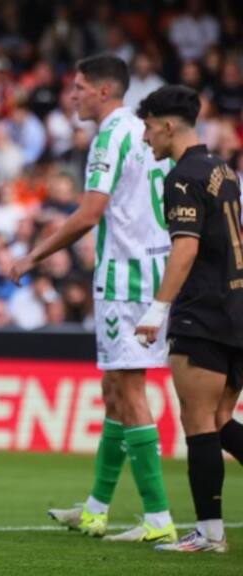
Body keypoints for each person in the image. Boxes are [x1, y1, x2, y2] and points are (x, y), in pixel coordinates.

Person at [10, 54, 177, 543]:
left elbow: (89, 214)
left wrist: (32, 256)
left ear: (105, 92)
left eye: (80, 87)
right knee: (113, 393)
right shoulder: (145, 134)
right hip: (149, 267)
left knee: (129, 392)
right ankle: (97, 509)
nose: (73, 95)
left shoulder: (110, 135)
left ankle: (159, 518)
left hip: (125, 277)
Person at [136, 85, 243, 553]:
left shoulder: (182, 177)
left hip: (203, 313)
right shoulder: (224, 170)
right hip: (237, 309)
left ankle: (209, 533)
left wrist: (157, 309)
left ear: (167, 125)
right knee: (221, 419)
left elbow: (186, 247)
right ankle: (210, 531)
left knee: (198, 422)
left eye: (147, 127)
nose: (144, 138)